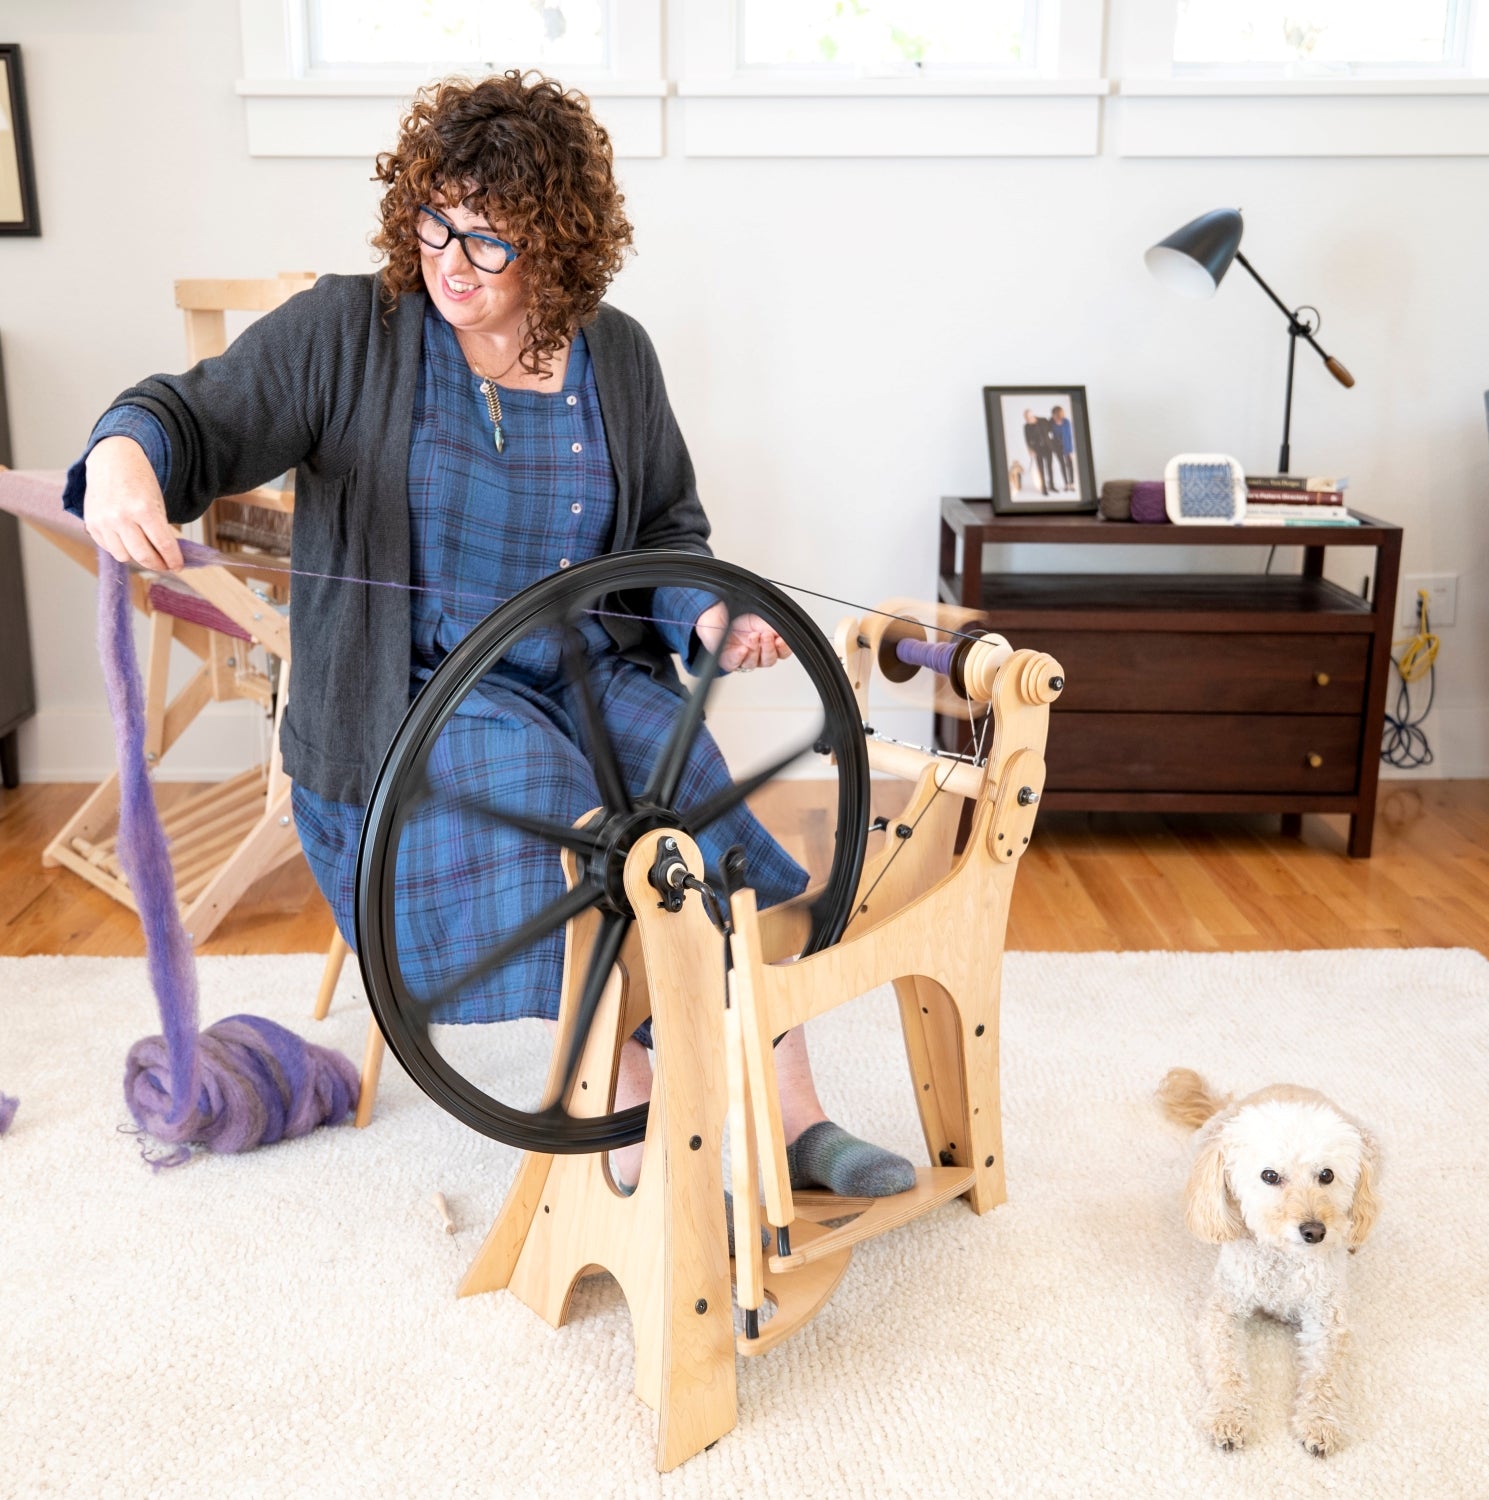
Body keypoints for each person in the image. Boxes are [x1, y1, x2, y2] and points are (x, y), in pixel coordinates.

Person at [66, 71, 914, 1201]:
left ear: (557, 249)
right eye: (433, 222)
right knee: (568, 818)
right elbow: (190, 414)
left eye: (488, 240)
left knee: (688, 784)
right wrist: (125, 455)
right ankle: (623, 1096)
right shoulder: (349, 330)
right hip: (411, 706)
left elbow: (666, 532)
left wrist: (705, 609)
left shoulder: (618, 356)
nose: (450, 261)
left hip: (587, 676)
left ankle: (796, 1110)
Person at [1022, 408, 1055, 495]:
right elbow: (1027, 439)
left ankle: (1051, 485)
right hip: (1038, 449)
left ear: (1032, 415)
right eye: (1025, 418)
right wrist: (1030, 449)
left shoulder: (1043, 420)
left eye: (1028, 417)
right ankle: (1044, 488)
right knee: (1041, 469)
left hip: (1048, 447)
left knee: (1050, 467)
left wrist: (1052, 441)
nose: (1027, 419)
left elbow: (1050, 429)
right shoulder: (1026, 426)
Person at [1050, 404, 1075, 489]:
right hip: (1058, 448)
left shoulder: (1066, 422)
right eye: (1054, 415)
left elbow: (1069, 436)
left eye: (1058, 415)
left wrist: (1071, 450)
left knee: (1070, 465)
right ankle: (1066, 484)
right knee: (1062, 465)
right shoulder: (1051, 423)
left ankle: (1072, 483)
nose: (1056, 417)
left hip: (1067, 446)